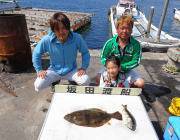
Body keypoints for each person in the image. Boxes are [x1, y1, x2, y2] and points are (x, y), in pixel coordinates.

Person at [32, 12, 90, 92]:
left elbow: (85, 52)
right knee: (38, 85)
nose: (61, 32)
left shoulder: (77, 38)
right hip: (54, 71)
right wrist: (39, 70)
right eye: (57, 29)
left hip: (71, 70)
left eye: (64, 28)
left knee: (85, 81)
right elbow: (36, 53)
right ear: (53, 30)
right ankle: (54, 82)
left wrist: (83, 67)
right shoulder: (47, 39)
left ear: (68, 27)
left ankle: (72, 81)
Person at [100, 15, 144, 88]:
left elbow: (136, 61)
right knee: (98, 78)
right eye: (122, 28)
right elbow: (103, 57)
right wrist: (111, 67)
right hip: (111, 69)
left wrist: (122, 67)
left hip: (127, 70)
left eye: (128, 28)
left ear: (132, 30)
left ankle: (127, 85)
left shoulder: (136, 45)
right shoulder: (110, 43)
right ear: (117, 29)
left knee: (141, 84)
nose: (125, 31)